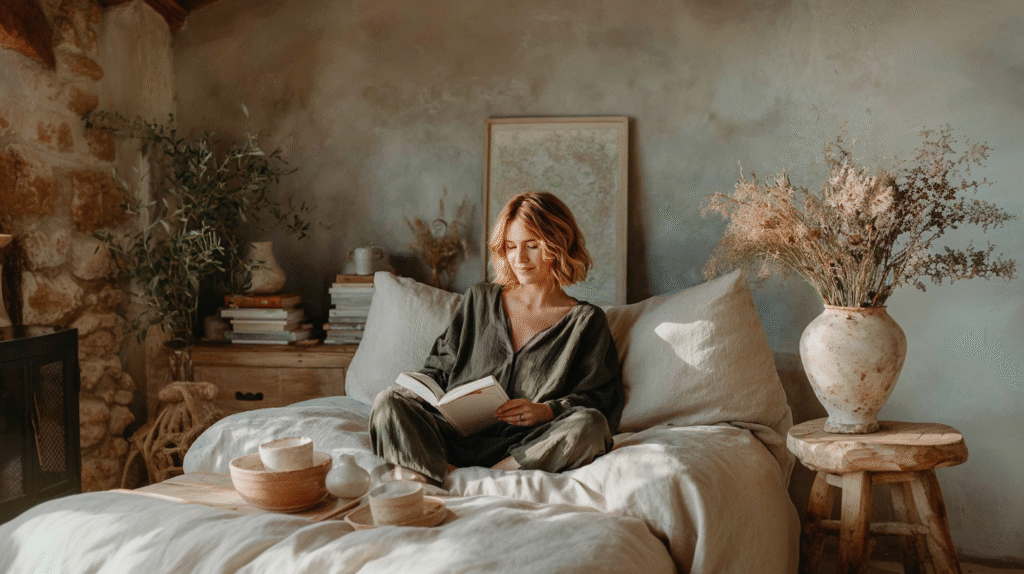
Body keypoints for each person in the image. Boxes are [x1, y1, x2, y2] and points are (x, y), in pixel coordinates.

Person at [369, 191, 623, 486]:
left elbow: (601, 398)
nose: (519, 259)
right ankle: (442, 476)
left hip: (526, 446)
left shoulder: (586, 322)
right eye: (511, 246)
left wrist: (546, 411)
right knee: (387, 402)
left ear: (559, 245)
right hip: (452, 436)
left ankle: (486, 478)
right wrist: (421, 393)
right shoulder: (480, 299)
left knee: (590, 426)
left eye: (532, 246)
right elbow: (438, 368)